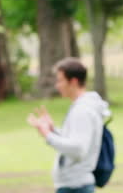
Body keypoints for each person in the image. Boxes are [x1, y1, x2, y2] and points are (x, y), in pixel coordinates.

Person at [27, 57, 111, 193]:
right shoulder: (81, 107)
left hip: (76, 187)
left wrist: (47, 135)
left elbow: (79, 149)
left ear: (73, 81)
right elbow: (76, 139)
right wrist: (52, 130)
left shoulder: (82, 110)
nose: (57, 85)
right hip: (74, 186)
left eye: (60, 80)